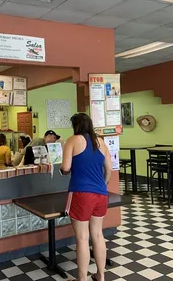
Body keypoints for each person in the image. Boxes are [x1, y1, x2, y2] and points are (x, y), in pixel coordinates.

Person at [61, 113, 111, 281]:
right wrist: (101, 185)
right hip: (101, 195)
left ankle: (81, 279)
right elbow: (109, 170)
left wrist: (64, 171)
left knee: (82, 238)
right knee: (98, 235)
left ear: (76, 126)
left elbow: (66, 167)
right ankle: (100, 276)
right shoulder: (101, 142)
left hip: (81, 193)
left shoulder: (72, 140)